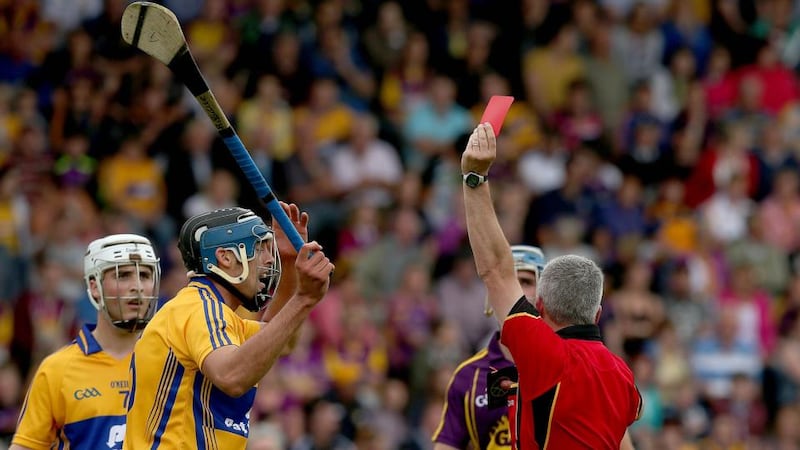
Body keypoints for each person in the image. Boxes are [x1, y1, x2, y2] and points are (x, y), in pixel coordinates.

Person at [460, 123, 641, 449]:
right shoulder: (623, 375)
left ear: (540, 307)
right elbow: (630, 418)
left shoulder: (544, 352)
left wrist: (475, 178)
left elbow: (497, 271)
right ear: (597, 314)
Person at [123, 204, 334, 449]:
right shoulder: (197, 308)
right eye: (258, 248)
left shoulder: (215, 314)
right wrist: (303, 298)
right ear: (225, 258)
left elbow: (280, 340)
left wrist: (289, 264)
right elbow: (232, 376)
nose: (269, 259)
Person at [11, 234, 161, 449]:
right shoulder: (56, 370)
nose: (137, 286)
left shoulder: (173, 363)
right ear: (94, 286)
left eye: (145, 275)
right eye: (123, 275)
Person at [432, 245, 546, 450]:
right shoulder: (468, 376)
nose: (514, 292)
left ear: (544, 295)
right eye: (506, 282)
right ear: (490, 295)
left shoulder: (571, 364)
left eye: (525, 282)